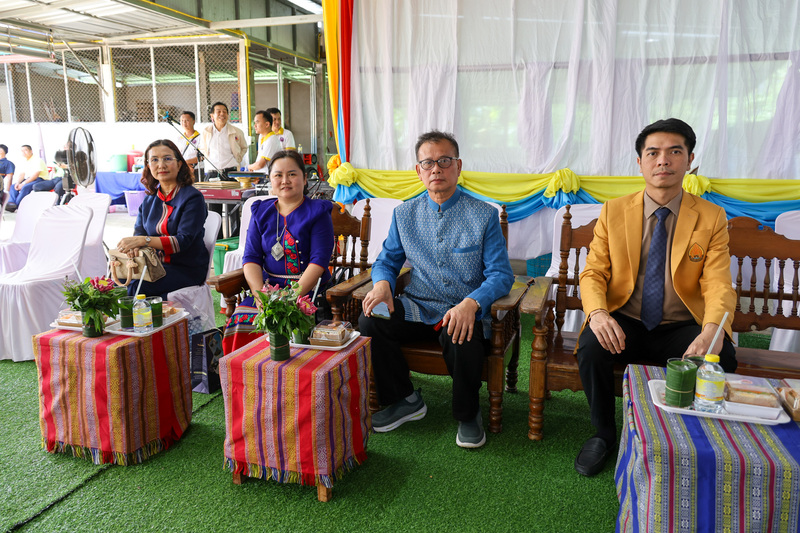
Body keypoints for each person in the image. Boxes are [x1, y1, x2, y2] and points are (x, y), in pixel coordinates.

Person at [574, 118, 737, 477]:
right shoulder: (614, 211)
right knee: (591, 346)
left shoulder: (710, 218)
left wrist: (711, 329)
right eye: (653, 152)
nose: (663, 160)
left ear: (689, 159)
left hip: (681, 327)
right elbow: (594, 272)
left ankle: (689, 438)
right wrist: (599, 314)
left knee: (721, 352)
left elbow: (718, 283)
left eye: (674, 151)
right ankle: (603, 434)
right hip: (625, 321)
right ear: (640, 162)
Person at [358, 130, 514, 449]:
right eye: (427, 163)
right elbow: (386, 259)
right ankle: (405, 399)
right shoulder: (404, 215)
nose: (436, 169)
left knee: (462, 332)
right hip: (419, 307)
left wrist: (473, 302)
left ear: (458, 166)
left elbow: (501, 274)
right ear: (418, 171)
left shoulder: (483, 216)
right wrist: (384, 284)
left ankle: (468, 415)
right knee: (371, 320)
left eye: (444, 161)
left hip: (462, 310)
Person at [222, 150, 334, 354]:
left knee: (292, 322)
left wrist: (292, 297)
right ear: (270, 179)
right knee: (242, 318)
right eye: (278, 175)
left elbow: (319, 261)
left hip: (307, 291)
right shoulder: (260, 212)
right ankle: (244, 380)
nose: (285, 180)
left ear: (304, 178)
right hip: (267, 290)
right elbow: (251, 258)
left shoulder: (318, 212)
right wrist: (259, 296)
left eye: (292, 174)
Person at [115, 139, 209, 299]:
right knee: (117, 279)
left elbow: (183, 241)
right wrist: (134, 247)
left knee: (137, 287)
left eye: (167, 159)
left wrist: (144, 241)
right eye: (154, 160)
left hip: (185, 268)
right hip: (152, 266)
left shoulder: (192, 198)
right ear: (148, 166)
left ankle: (139, 323)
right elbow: (139, 233)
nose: (161, 165)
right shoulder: (149, 200)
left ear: (179, 164)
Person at [199, 102, 247, 181]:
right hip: (212, 173)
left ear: (228, 115)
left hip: (231, 172)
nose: (222, 114)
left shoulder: (237, 132)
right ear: (212, 116)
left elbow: (244, 148)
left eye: (224, 112)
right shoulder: (206, 132)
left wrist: (238, 158)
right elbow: (202, 149)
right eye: (218, 111)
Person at [7, 145, 47, 212]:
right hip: (29, 179)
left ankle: (17, 206)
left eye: (25, 150)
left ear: (31, 151)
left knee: (25, 187)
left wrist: (23, 183)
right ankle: (11, 203)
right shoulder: (25, 161)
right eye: (22, 151)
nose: (23, 152)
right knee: (14, 186)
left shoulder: (37, 160)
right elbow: (22, 174)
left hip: (40, 179)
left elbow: (35, 176)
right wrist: (18, 183)